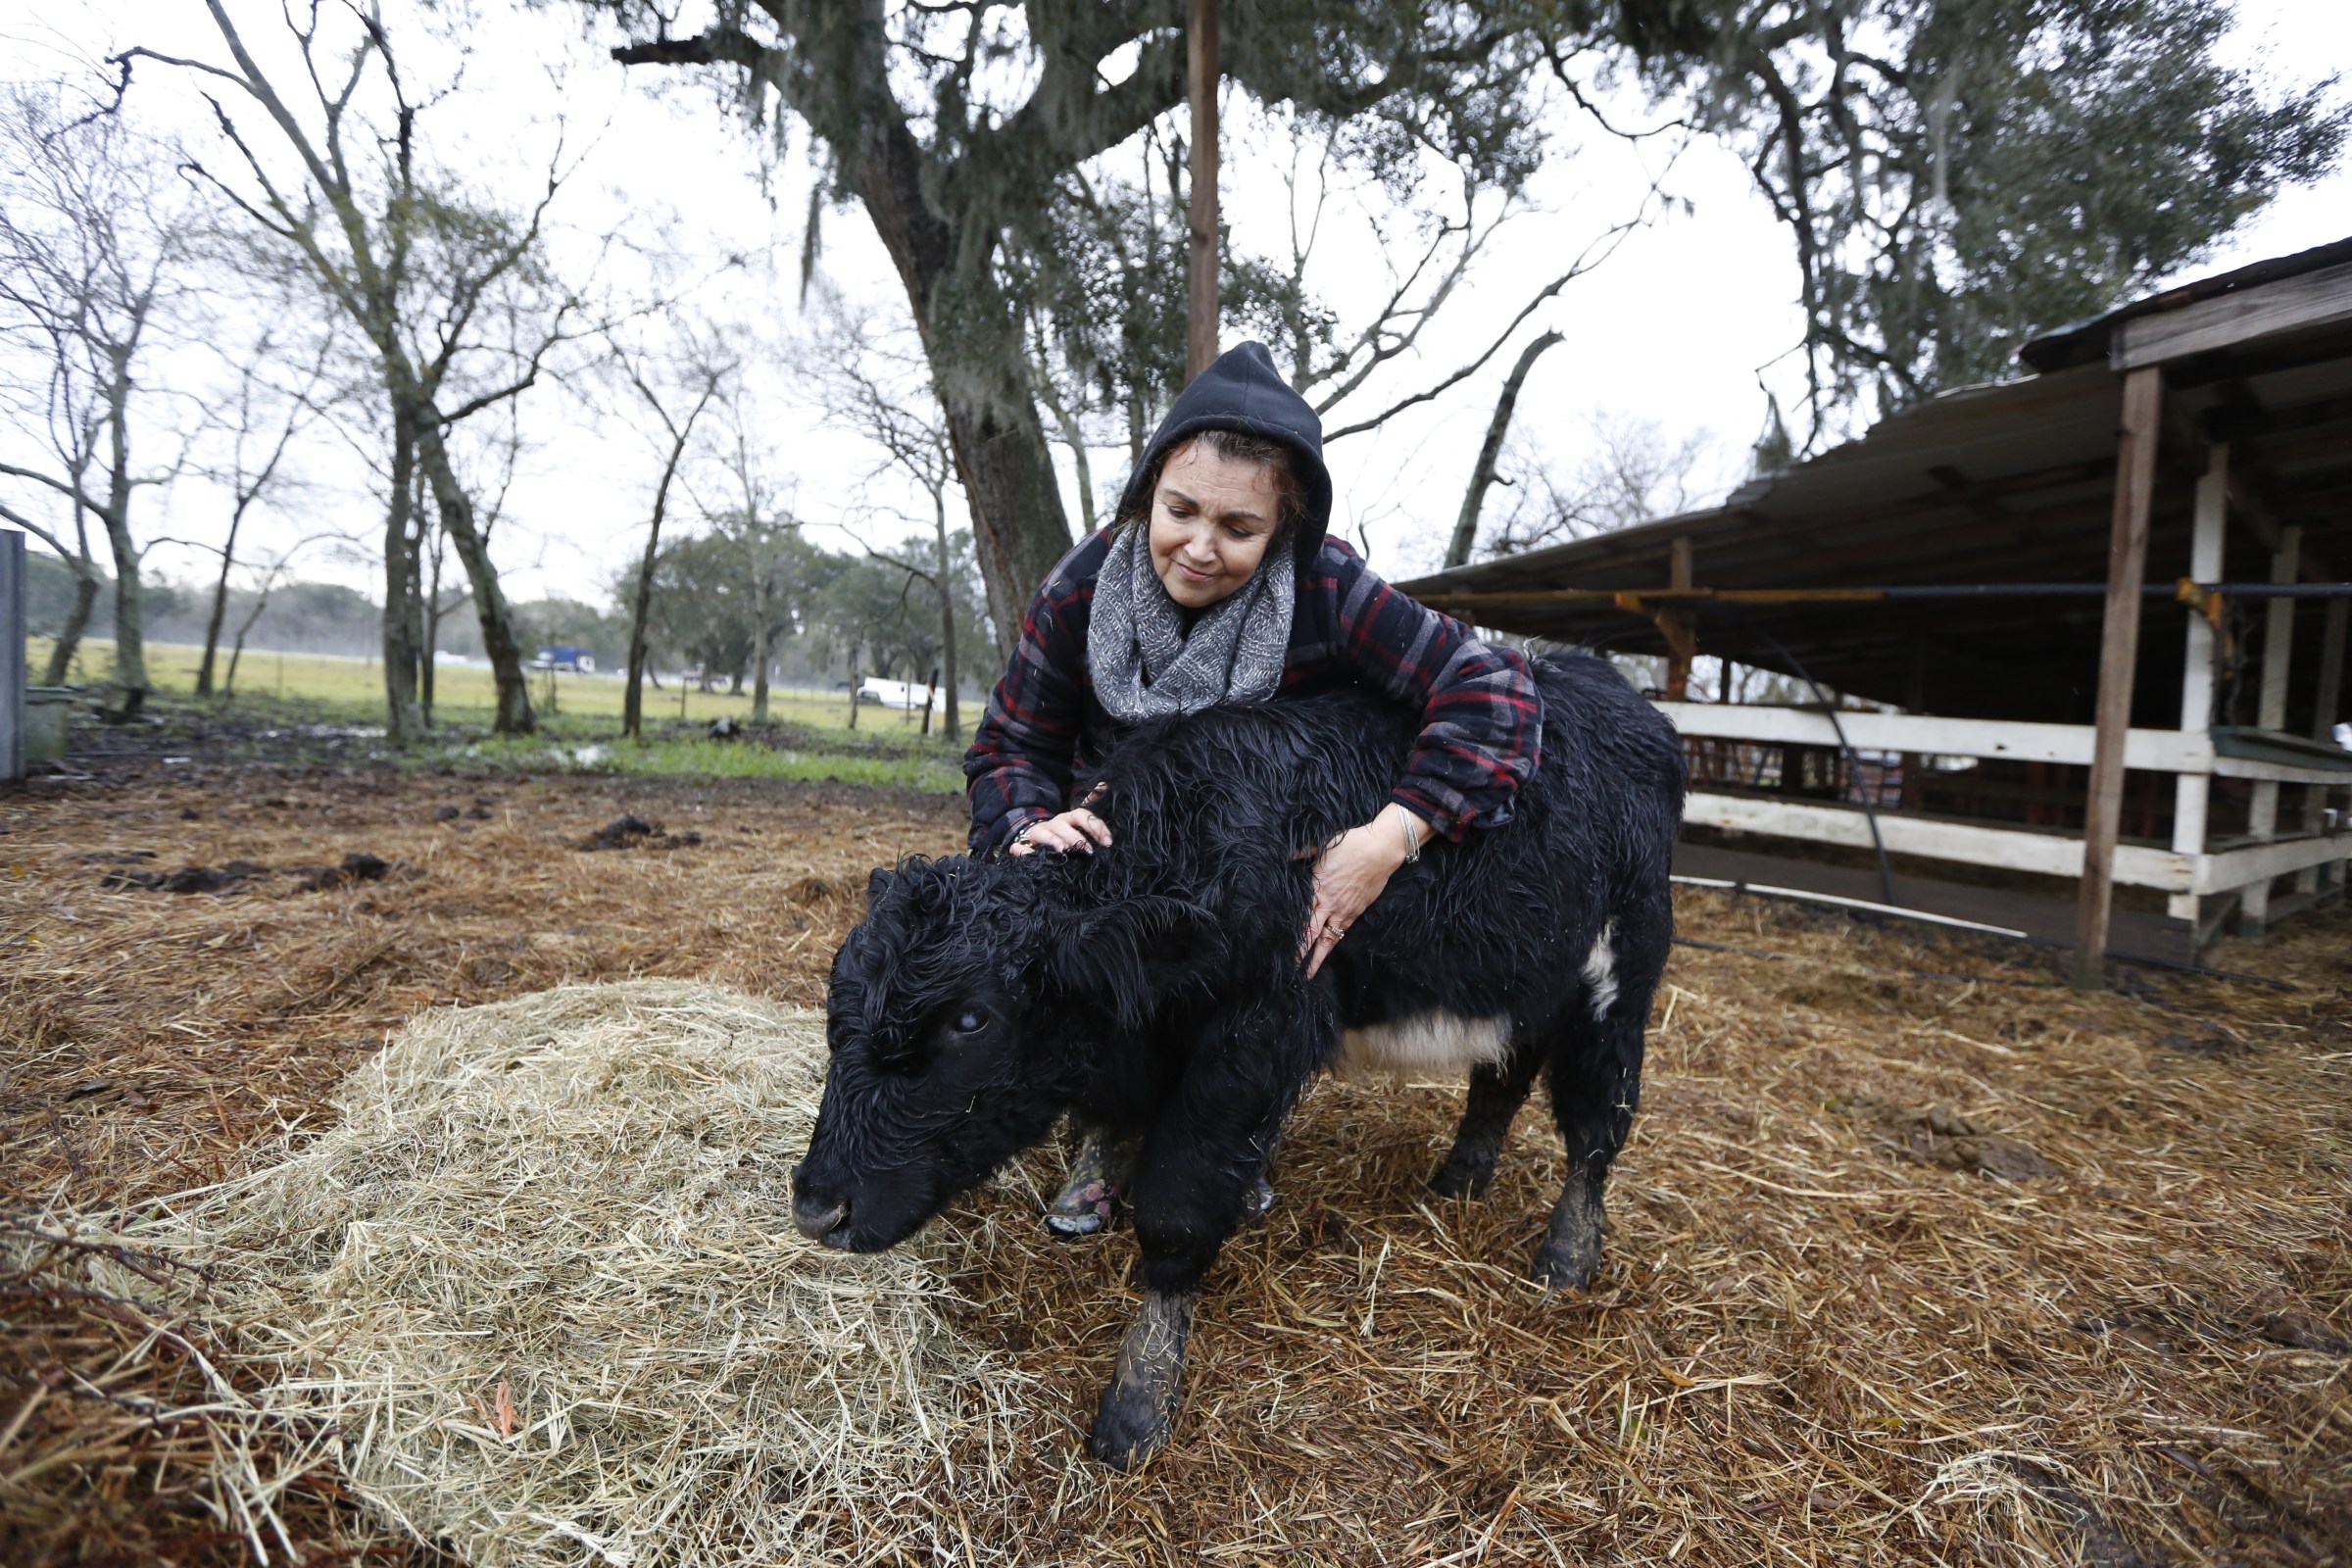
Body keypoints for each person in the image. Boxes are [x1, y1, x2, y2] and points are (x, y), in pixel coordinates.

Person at [963, 340, 1544, 1236]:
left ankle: (1242, 1128)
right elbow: (1011, 744)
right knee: (1091, 957)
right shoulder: (1078, 592)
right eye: (1179, 511)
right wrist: (1028, 822)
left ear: (1287, 527)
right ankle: (1109, 1130)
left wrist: (1391, 837)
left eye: (1238, 529)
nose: (1198, 548)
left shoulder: (1328, 587)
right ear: (1147, 489)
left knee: (1258, 971)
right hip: (1114, 837)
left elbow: (1493, 689)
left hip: (1263, 853)